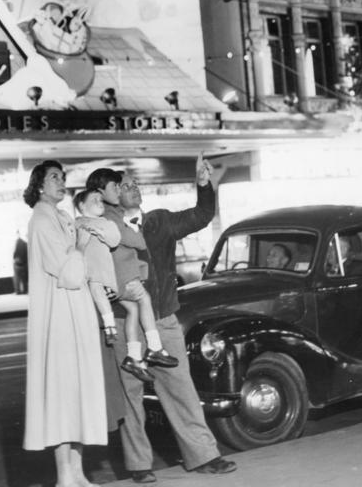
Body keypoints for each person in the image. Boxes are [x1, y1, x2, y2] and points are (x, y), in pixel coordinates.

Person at [87, 159, 237, 482]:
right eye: (124, 186)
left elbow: (201, 215)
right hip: (126, 322)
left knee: (181, 388)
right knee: (131, 396)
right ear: (111, 195)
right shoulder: (102, 225)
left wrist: (202, 184)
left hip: (163, 318)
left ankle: (203, 455)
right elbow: (87, 262)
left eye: (134, 184)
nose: (133, 188)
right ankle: (139, 465)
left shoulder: (160, 222)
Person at [23, 160, 108, 487]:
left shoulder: (61, 217)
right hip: (59, 318)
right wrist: (82, 246)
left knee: (77, 391)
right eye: (54, 177)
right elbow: (70, 272)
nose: (61, 182)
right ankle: (64, 477)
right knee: (62, 393)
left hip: (74, 313)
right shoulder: (42, 220)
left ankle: (77, 472)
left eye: (63, 177)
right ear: (40, 185)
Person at [83, 175, 179, 382]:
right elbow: (130, 240)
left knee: (133, 310)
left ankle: (134, 356)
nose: (119, 191)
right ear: (100, 193)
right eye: (115, 186)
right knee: (144, 300)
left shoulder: (101, 217)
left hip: (114, 280)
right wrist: (139, 237)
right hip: (124, 276)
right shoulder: (110, 216)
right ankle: (154, 347)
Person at [73, 188, 120, 346]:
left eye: (101, 200)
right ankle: (108, 326)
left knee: (97, 289)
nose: (100, 203)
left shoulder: (107, 223)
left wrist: (101, 234)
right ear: (82, 205)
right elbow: (72, 248)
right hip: (83, 271)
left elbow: (114, 241)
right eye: (94, 200)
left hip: (101, 270)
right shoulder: (77, 223)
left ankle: (110, 326)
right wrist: (82, 242)